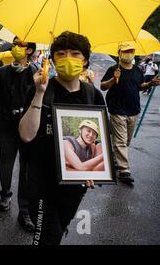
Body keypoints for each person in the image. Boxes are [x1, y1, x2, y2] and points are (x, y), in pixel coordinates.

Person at [19, 31, 104, 245]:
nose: (68, 58)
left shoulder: (92, 95)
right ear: (53, 59)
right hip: (42, 185)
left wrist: (97, 171)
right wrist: (39, 93)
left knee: (59, 228)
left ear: (85, 61)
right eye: (61, 53)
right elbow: (26, 135)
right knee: (48, 236)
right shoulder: (41, 90)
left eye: (75, 54)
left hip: (75, 186)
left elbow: (100, 142)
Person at [0, 41, 36, 232]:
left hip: (29, 132)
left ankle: (24, 210)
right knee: (6, 164)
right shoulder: (0, 74)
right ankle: (5, 194)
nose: (16, 47)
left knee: (26, 170)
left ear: (30, 50)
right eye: (15, 43)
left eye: (21, 44)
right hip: (6, 129)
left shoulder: (37, 74)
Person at [100, 42, 160, 185]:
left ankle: (116, 160)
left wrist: (150, 84)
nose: (129, 53)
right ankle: (124, 170)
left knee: (125, 141)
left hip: (133, 110)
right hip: (117, 110)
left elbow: (139, 86)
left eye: (132, 50)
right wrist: (113, 79)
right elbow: (103, 86)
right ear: (120, 53)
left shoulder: (137, 70)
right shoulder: (113, 69)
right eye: (126, 51)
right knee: (120, 141)